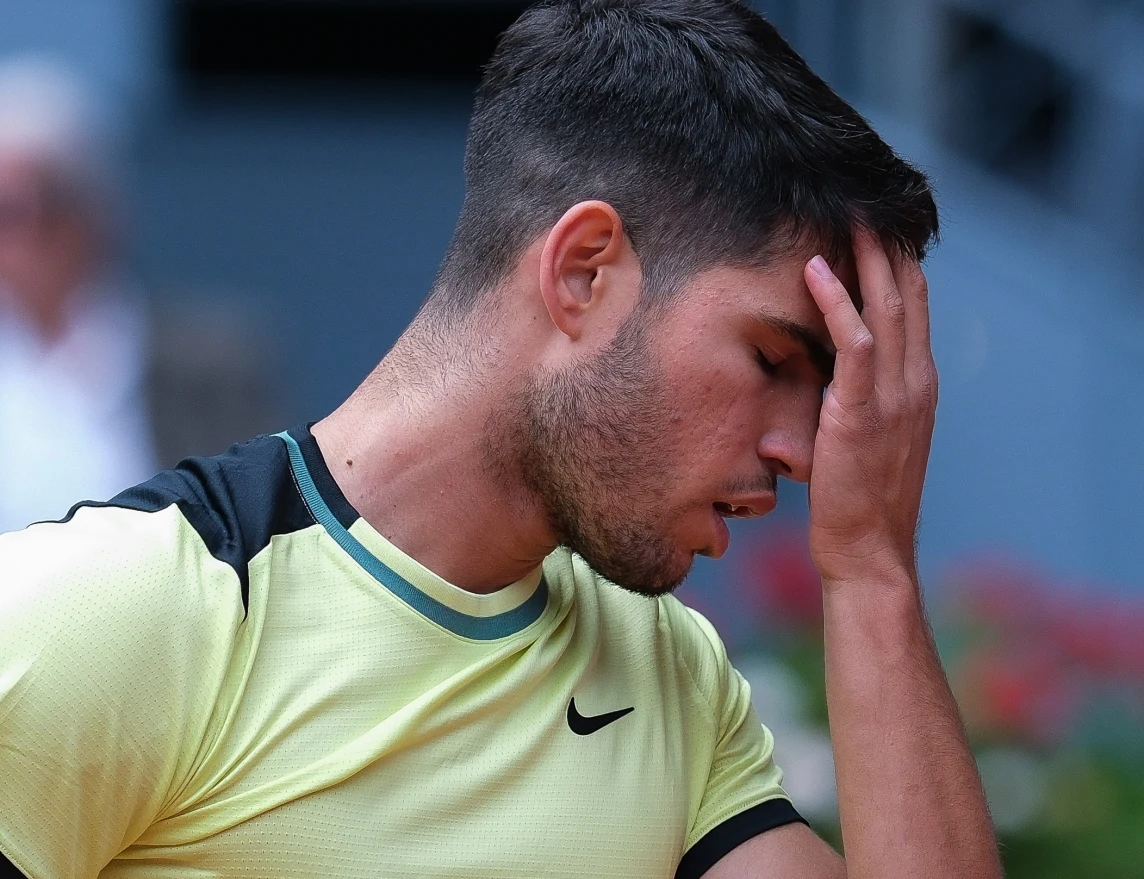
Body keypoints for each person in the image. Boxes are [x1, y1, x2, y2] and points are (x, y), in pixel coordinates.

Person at [0, 2, 1002, 877]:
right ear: (583, 272)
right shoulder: (116, 614)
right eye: (773, 360)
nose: (811, 448)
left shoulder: (672, 677)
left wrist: (871, 571)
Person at [0, 56, 282, 533]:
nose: (27, 236)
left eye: (48, 204)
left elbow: (259, 526)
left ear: (99, 208)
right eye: (7, 210)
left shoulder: (213, 358)